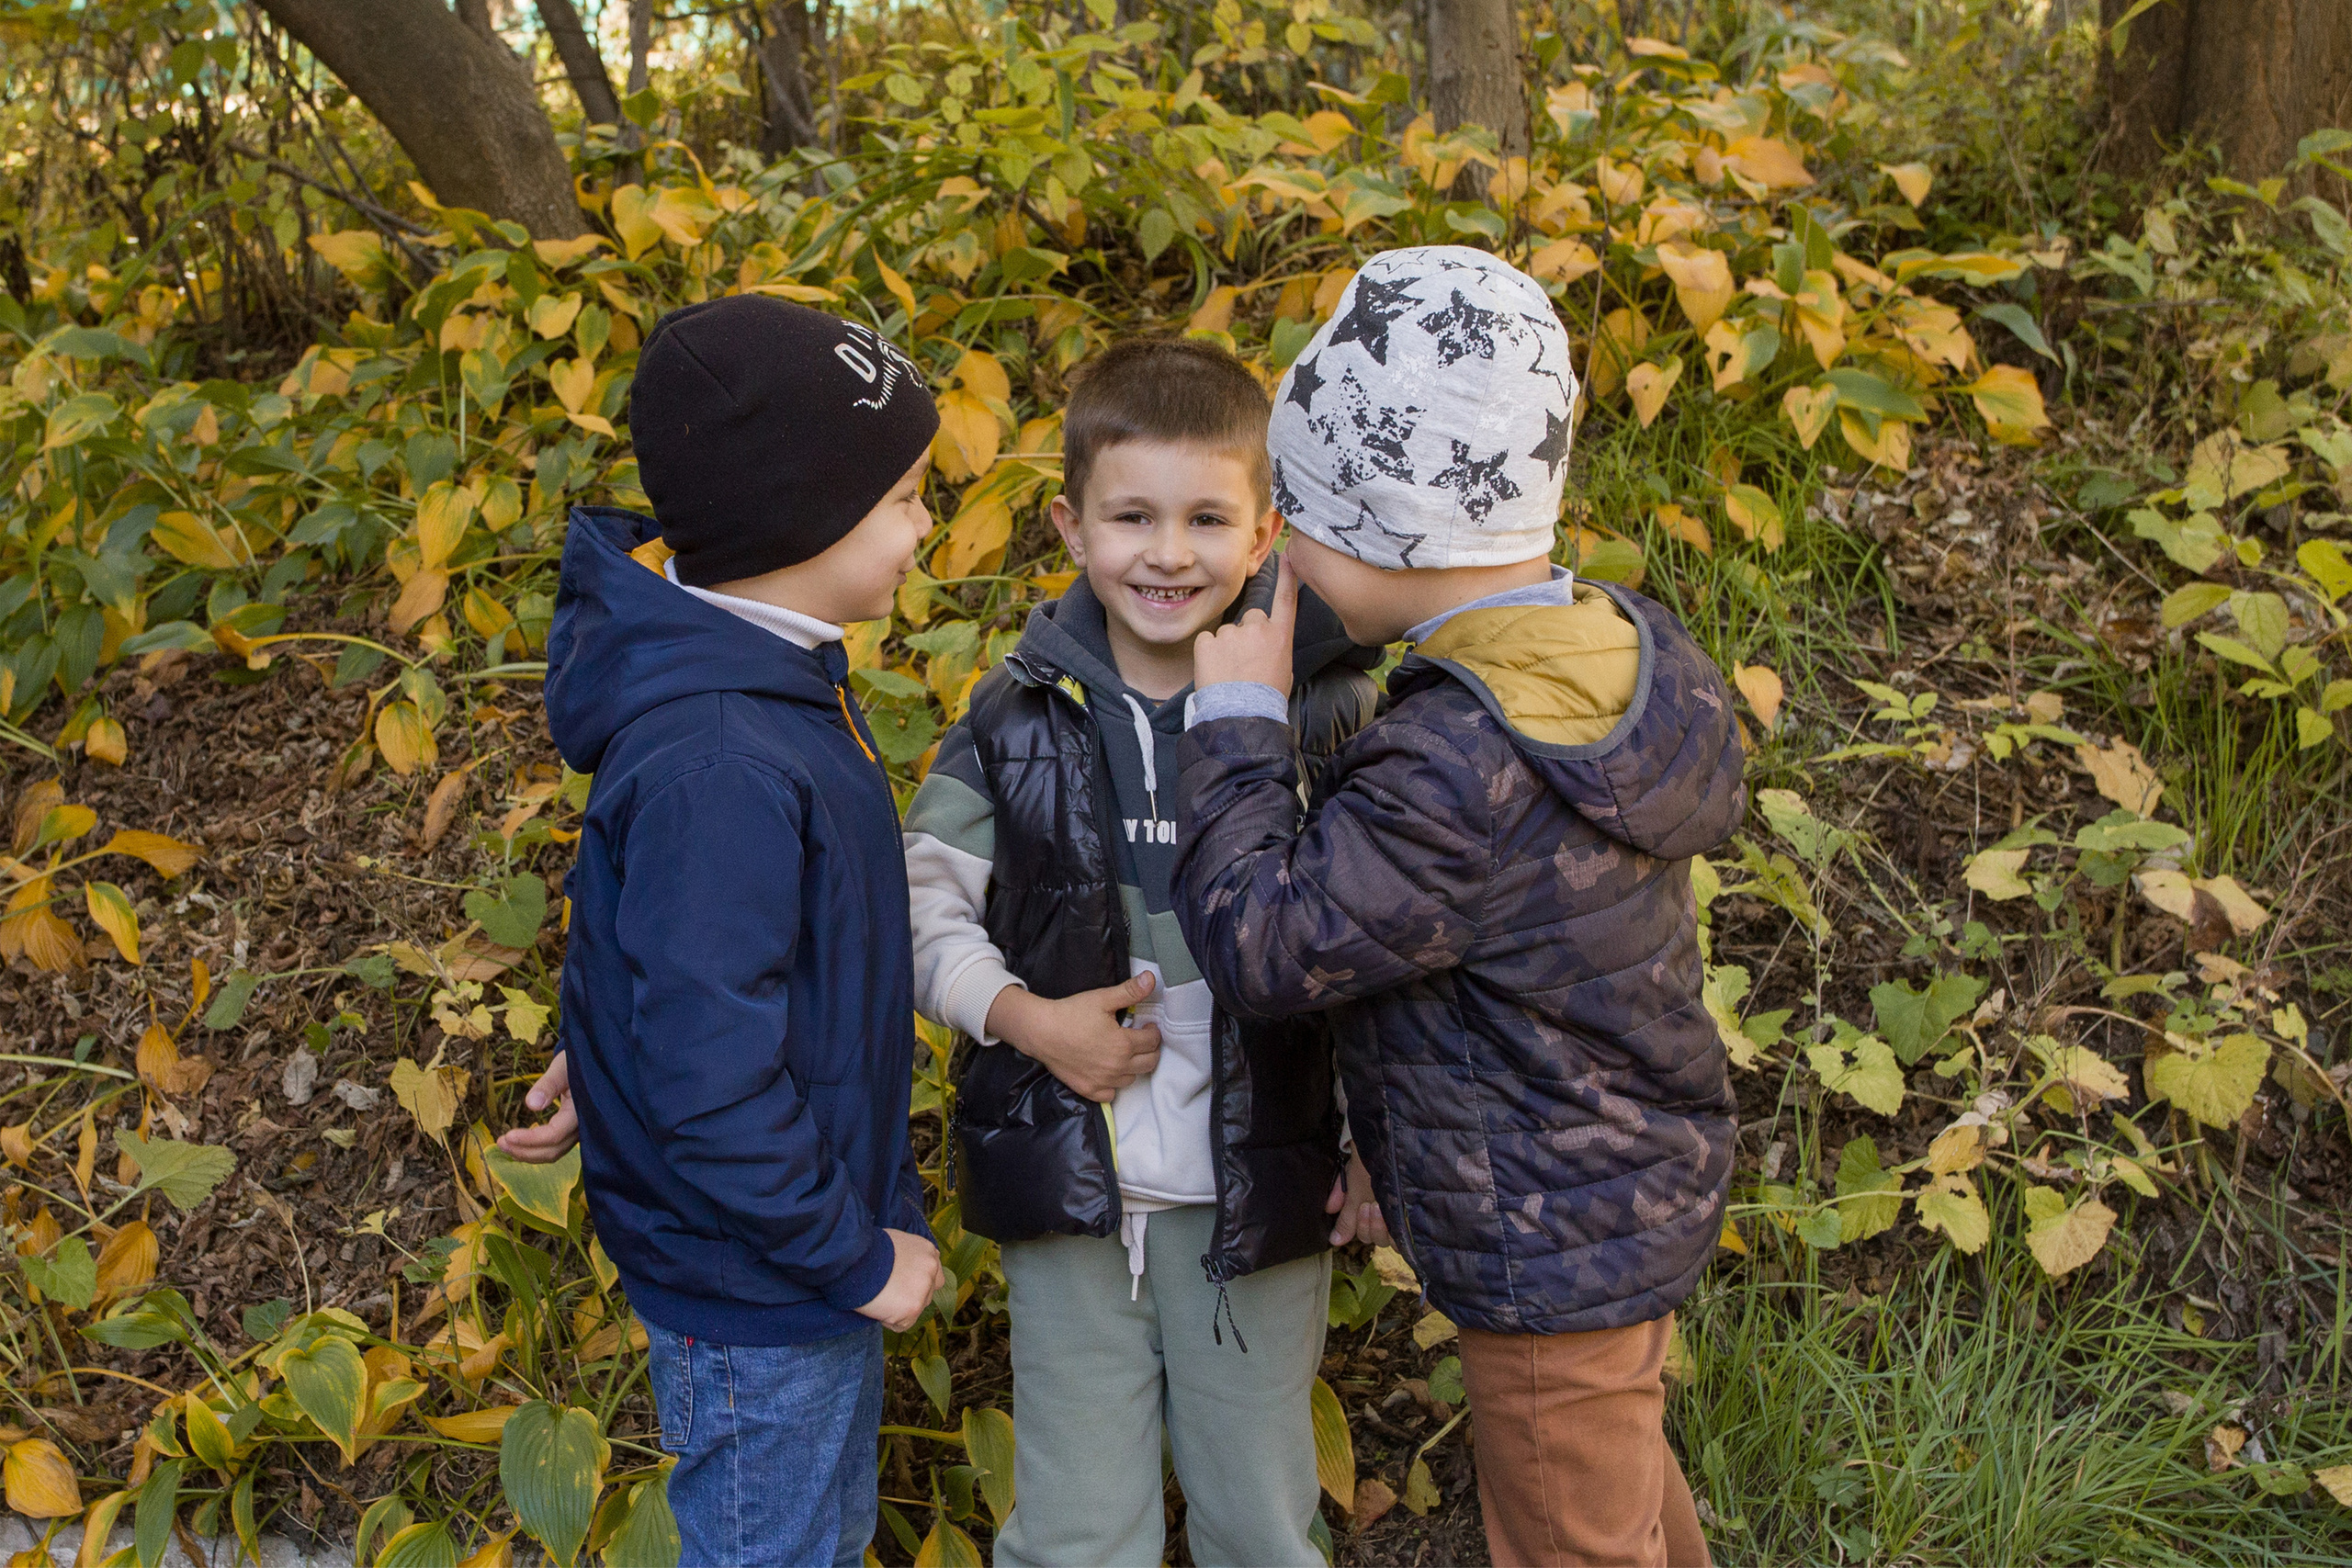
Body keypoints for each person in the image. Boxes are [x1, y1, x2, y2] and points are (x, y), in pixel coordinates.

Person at [1172, 246, 1744, 1568]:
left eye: (1296, 520)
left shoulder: (1454, 762)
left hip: (1545, 1239)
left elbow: (1273, 945)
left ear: (1382, 533)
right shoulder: (1599, 657)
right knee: (1623, 1489)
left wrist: (1242, 724)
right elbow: (1470, 977)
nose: (1283, 559)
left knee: (1566, 1538)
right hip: (1613, 1188)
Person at [902, 337, 1380, 1568]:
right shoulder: (1014, 717)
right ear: (1071, 526)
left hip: (1259, 1189)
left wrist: (1383, 1147)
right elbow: (920, 909)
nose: (1169, 554)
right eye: (1132, 517)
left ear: (1266, 533)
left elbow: (1385, 959)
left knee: (1261, 1522)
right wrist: (1025, 1018)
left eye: (1207, 518)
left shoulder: (1327, 711)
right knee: (1075, 1529)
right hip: (1070, 1193)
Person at [514, 293, 947, 1568]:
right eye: (908, 497)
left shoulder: (763, 679)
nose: (927, 525)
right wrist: (853, 1257)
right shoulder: (725, 754)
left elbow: (676, 958)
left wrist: (609, 1053)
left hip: (784, 1232)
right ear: (801, 516)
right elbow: (708, 1068)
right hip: (765, 1275)